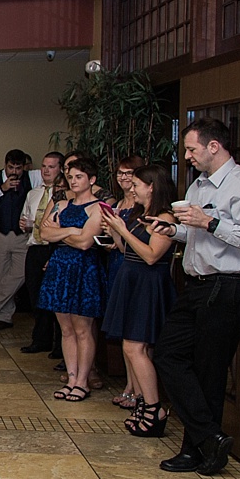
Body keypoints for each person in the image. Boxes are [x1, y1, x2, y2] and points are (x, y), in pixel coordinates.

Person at [151, 118, 240, 476]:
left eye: (191, 149)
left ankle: (197, 449)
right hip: (199, 284)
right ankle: (209, 438)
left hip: (231, 285)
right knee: (168, 354)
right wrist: (173, 230)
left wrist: (210, 222)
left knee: (209, 369)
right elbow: (196, 237)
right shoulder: (198, 187)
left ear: (214, 146)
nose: (187, 156)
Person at [99, 165, 178, 435]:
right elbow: (128, 250)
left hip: (148, 281)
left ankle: (155, 408)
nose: (131, 189)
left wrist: (124, 229)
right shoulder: (139, 214)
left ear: (152, 186)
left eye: (136, 184)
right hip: (130, 276)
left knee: (136, 347)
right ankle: (144, 403)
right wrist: (115, 232)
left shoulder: (165, 216)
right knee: (131, 345)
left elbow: (152, 255)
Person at [36, 156, 105, 400]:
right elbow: (44, 232)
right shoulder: (62, 204)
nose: (73, 181)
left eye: (79, 177)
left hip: (83, 270)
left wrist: (60, 234)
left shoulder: (99, 208)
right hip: (60, 268)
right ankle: (72, 377)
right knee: (66, 329)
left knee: (82, 329)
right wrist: (72, 231)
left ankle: (83, 381)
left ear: (92, 180)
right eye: (71, 177)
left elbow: (86, 242)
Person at [101, 155, 145, 408]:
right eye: (120, 173)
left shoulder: (142, 208)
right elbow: (120, 246)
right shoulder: (118, 203)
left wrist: (121, 232)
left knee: (135, 333)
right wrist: (111, 234)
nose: (124, 178)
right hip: (118, 263)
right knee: (125, 332)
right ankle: (130, 385)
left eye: (129, 174)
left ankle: (138, 390)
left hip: (137, 268)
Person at [0, 149, 37, 328]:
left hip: (22, 235)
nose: (14, 172)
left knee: (21, 272)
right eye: (11, 167)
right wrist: (1, 189)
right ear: (5, 165)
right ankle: (5, 317)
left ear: (23, 167)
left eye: (18, 168)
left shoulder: (33, 177)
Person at [19, 152, 64, 355]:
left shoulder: (65, 195)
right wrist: (26, 225)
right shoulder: (33, 193)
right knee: (35, 296)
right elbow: (25, 219)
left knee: (54, 298)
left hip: (54, 247)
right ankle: (40, 339)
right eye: (44, 166)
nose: (46, 170)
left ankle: (59, 345)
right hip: (35, 246)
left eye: (51, 166)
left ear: (61, 169)